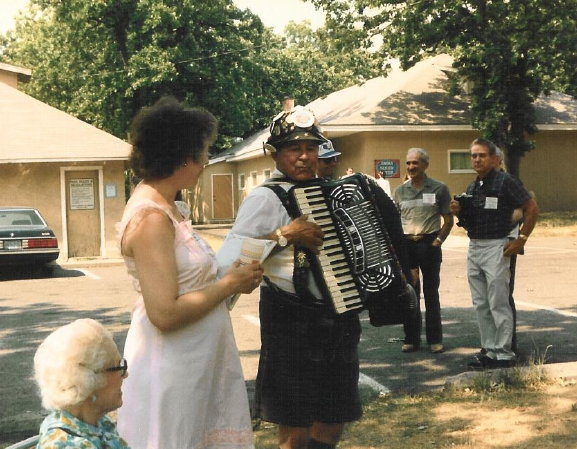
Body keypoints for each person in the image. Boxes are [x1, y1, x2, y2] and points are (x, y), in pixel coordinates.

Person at [116, 96, 263, 449]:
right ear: (183, 157)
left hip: (198, 358)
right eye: (203, 152)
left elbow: (189, 280)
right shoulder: (151, 218)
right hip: (172, 363)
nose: (206, 161)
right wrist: (228, 284)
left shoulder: (170, 208)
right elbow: (164, 313)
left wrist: (233, 280)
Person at [450, 137, 539, 370]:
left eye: (481, 155)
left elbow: (531, 208)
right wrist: (459, 212)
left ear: (494, 158)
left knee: (498, 301)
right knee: (481, 303)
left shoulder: (505, 181)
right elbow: (469, 222)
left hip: (496, 246)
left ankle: (504, 353)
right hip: (475, 245)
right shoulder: (473, 186)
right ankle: (489, 350)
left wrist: (521, 239)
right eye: (473, 155)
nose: (477, 159)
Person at [34, 318, 130, 449]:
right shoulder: (67, 445)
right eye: (118, 367)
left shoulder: (97, 423)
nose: (124, 375)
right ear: (87, 381)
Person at [393, 148, 453, 353]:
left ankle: (435, 340)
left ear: (425, 165)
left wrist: (438, 241)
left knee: (431, 293)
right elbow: (395, 221)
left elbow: (448, 220)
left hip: (429, 244)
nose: (411, 167)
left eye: (415, 163)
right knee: (409, 294)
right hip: (407, 245)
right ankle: (411, 338)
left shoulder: (439, 188)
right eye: (408, 163)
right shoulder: (400, 191)